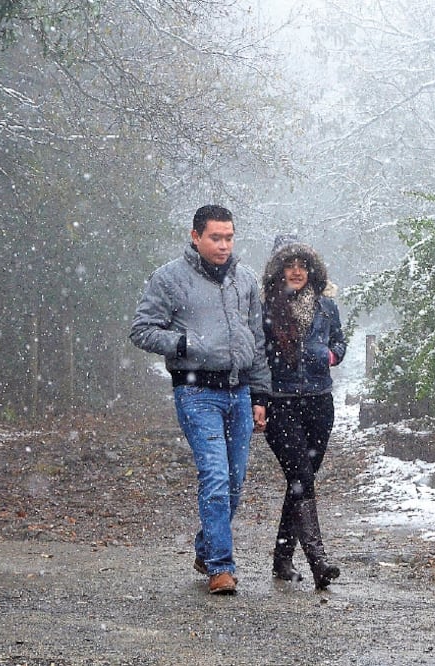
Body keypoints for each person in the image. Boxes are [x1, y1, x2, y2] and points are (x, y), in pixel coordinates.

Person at [129, 204, 271, 595]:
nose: (223, 245)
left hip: (240, 392)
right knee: (215, 475)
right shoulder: (169, 279)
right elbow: (141, 330)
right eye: (215, 237)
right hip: (195, 392)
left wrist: (260, 393)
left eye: (228, 237)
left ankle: (206, 548)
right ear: (196, 236)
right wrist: (185, 343)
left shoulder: (245, 280)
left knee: (236, 481)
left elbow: (257, 340)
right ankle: (221, 569)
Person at [261, 235, 346, 590]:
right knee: (301, 477)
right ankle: (318, 561)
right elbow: (257, 355)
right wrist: (259, 398)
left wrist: (331, 356)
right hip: (281, 402)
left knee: (301, 480)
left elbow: (340, 340)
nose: (296, 271)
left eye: (302, 265)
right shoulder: (265, 307)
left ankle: (282, 558)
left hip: (319, 402)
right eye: (289, 265)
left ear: (312, 269)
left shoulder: (327, 307)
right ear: (278, 270)